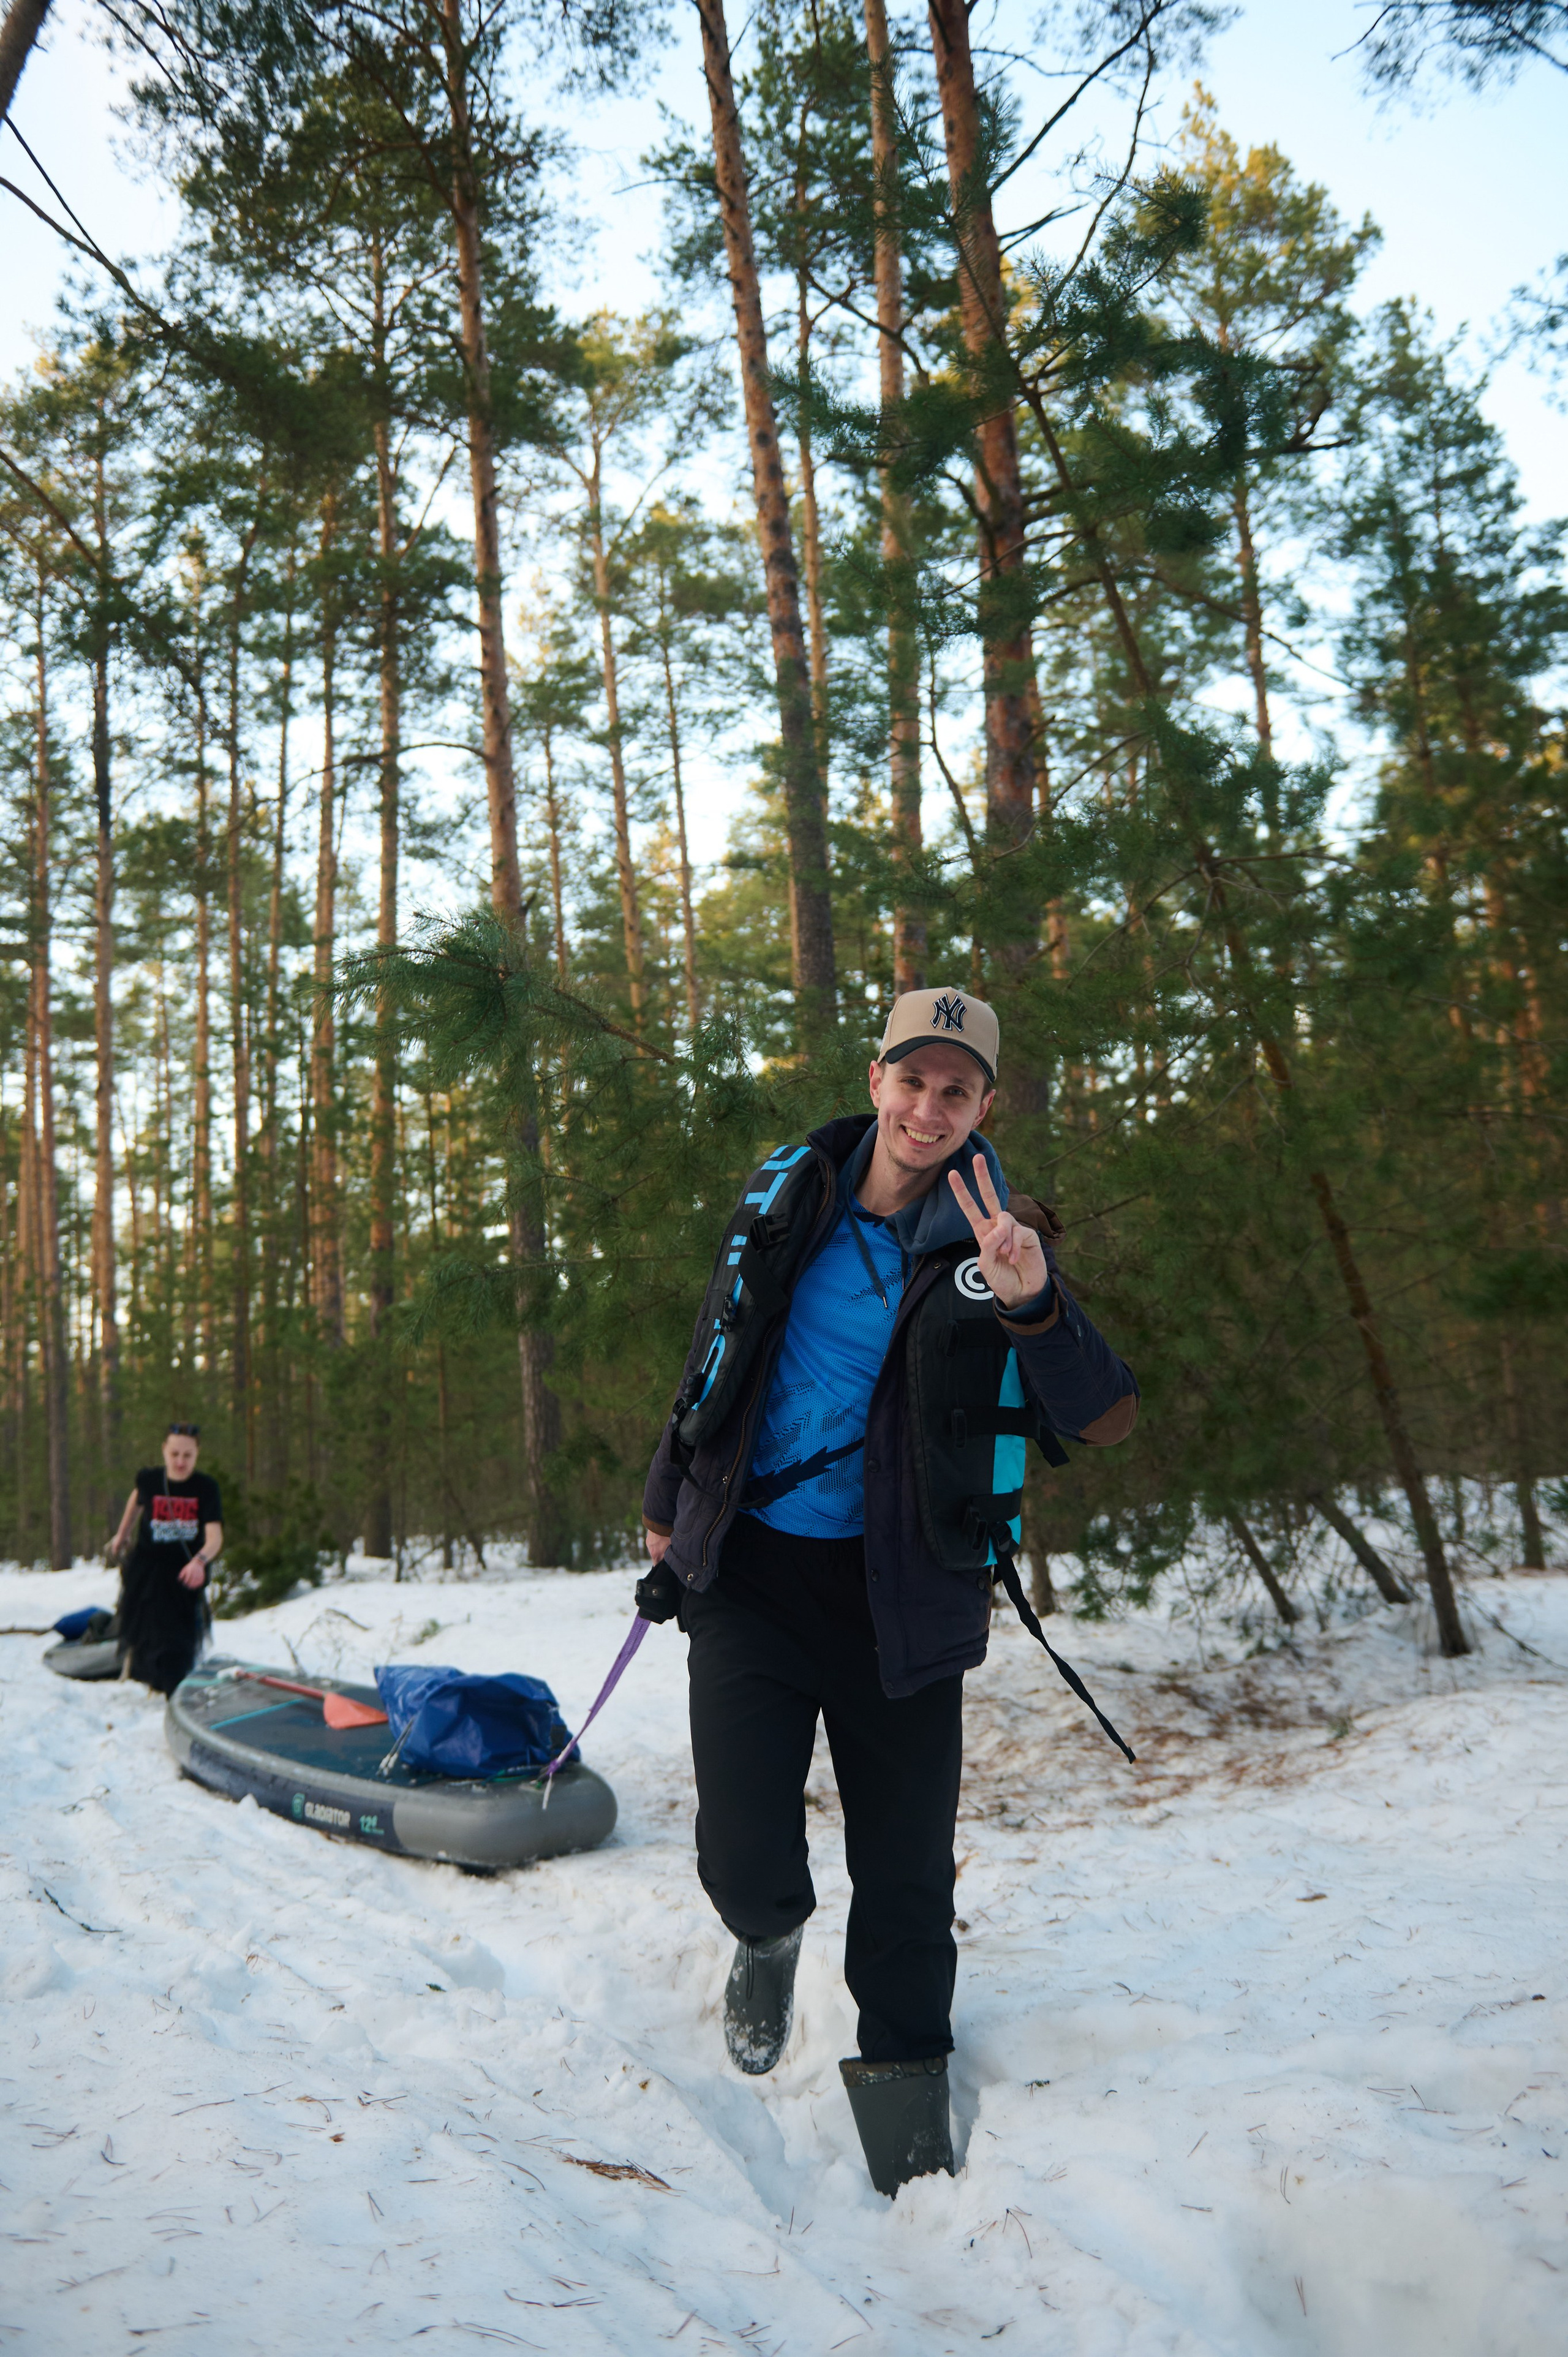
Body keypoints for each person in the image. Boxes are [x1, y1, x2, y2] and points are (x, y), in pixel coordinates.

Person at [637, 987, 1140, 2198]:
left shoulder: (991, 1238)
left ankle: (907, 2093)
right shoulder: (788, 1193)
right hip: (751, 1570)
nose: (927, 1108)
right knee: (740, 1846)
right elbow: (717, 1344)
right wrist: (668, 1497)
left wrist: (1028, 1293)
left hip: (901, 1595)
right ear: (874, 1079)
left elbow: (1103, 1412)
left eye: (954, 1090)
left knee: (907, 1872)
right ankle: (764, 1932)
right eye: (911, 1081)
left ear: (981, 1107)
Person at [107, 1424, 224, 1696]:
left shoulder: (205, 1488)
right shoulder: (150, 1480)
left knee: (177, 1638)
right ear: (164, 1451)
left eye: (187, 1455)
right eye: (175, 1454)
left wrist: (200, 1561)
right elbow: (136, 1501)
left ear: (197, 1454)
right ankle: (155, 1680)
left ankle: (174, 1690)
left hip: (184, 1571)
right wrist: (122, 1534)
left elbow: (215, 1537)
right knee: (147, 1631)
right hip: (148, 1567)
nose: (180, 1462)